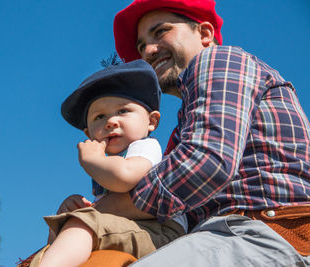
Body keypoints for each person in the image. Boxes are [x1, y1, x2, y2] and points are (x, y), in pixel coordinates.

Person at [93, 0, 310, 266]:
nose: (148, 50)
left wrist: (97, 213)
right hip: (235, 235)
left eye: (161, 32)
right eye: (141, 46)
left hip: (263, 231)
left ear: (205, 34)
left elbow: (207, 161)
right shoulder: (185, 123)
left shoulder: (219, 59)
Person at [36, 59, 187, 267]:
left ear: (151, 121)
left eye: (123, 111)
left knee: (84, 223)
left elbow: (126, 177)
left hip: (159, 231)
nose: (111, 121)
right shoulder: (106, 166)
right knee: (72, 226)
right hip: (131, 227)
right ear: (89, 134)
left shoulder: (145, 147)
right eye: (99, 116)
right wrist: (70, 208)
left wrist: (92, 161)